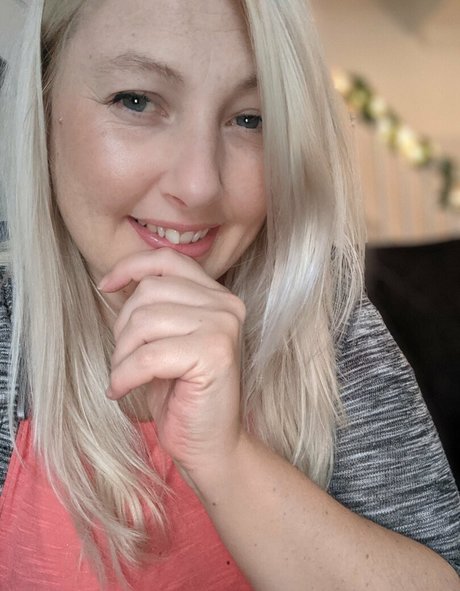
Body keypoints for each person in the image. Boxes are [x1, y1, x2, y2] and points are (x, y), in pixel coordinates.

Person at [0, 0, 459, 589]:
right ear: (41, 106)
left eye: (250, 119)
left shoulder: (328, 322)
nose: (199, 185)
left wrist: (227, 458)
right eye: (136, 101)